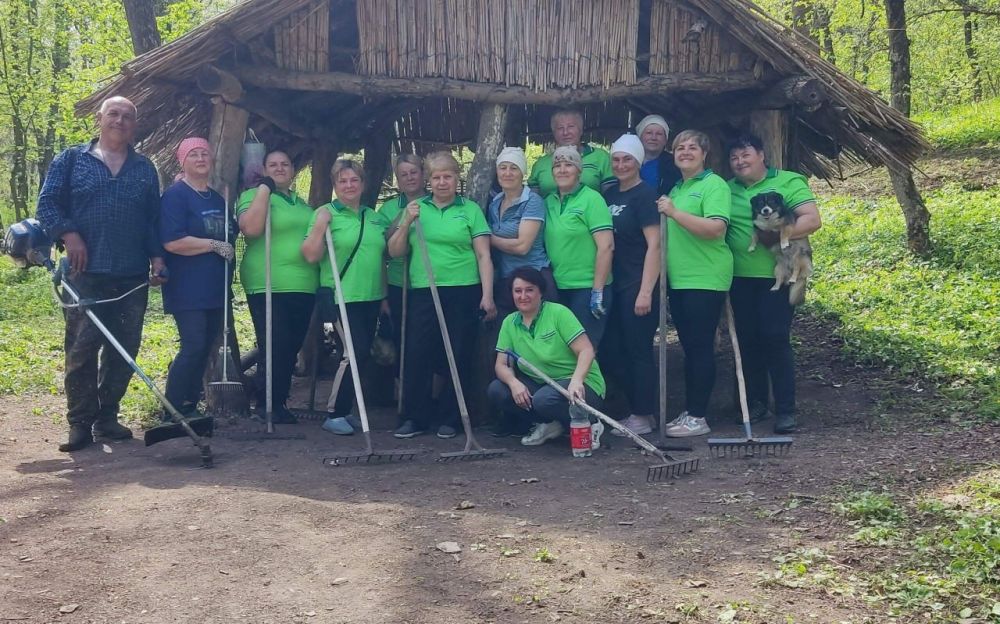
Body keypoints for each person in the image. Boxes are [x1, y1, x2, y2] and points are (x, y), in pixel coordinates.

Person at [35, 96, 166, 452]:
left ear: (133, 125)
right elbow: (46, 203)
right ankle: (79, 422)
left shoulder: (144, 168)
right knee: (81, 348)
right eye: (113, 114)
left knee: (124, 348)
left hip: (131, 274)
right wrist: (68, 232)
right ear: (99, 118)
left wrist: (157, 258)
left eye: (127, 116)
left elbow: (152, 220)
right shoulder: (71, 160)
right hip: (84, 273)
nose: (119, 120)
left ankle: (107, 417)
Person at [387, 151, 496, 439]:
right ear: (428, 180)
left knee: (458, 352)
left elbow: (484, 255)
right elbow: (395, 252)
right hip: (425, 289)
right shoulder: (416, 207)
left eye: (448, 176)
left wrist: (487, 295)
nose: (442, 182)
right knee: (417, 352)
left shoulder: (470, 209)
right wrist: (407, 221)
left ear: (456, 178)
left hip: (464, 289)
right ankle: (415, 417)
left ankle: (452, 417)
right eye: (436, 177)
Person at [727, 134, 822, 434]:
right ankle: (755, 403)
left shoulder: (789, 182)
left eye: (746, 155)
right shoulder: (727, 189)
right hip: (739, 279)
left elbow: (812, 220)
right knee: (747, 340)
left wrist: (778, 233)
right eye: (734, 158)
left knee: (774, 337)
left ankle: (785, 409)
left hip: (778, 276)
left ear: (761, 155)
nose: (740, 162)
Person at [301, 159, 388, 435]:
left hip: (371, 295)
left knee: (362, 355)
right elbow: (311, 255)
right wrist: (319, 226)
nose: (349, 186)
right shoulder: (326, 213)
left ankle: (349, 409)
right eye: (343, 181)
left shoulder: (373, 217)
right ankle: (334, 412)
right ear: (335, 185)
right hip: (341, 295)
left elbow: (382, 257)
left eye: (354, 180)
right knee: (354, 351)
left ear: (363, 184)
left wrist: (384, 296)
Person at [656, 130, 733, 438]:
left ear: (704, 154)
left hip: (705, 276)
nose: (685, 152)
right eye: (679, 148)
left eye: (692, 148)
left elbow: (715, 228)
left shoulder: (714, 186)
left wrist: (674, 213)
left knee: (700, 347)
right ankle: (690, 412)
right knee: (689, 346)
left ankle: (699, 416)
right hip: (680, 279)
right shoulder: (677, 187)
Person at [237, 149, 318, 424]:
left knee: (290, 345)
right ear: (263, 169)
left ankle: (278, 399)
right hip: (268, 282)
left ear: (294, 169)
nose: (280, 168)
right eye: (273, 164)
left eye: (285, 163)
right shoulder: (252, 197)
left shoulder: (302, 205)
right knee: (275, 343)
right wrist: (264, 189)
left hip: (304, 284)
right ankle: (266, 402)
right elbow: (251, 229)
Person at [159, 137, 234, 421]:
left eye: (205, 153)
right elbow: (172, 241)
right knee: (192, 346)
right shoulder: (176, 196)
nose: (201, 158)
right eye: (194, 154)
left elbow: (232, 232)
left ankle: (190, 406)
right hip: (188, 287)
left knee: (204, 348)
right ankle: (172, 409)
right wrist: (213, 245)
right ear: (183, 161)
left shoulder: (216, 198)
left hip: (216, 288)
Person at [489, 267, 606, 446]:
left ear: (541, 292)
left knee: (545, 400)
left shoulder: (558, 313)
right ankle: (550, 424)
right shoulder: (509, 322)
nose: (523, 296)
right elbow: (501, 365)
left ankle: (590, 423)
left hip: (580, 384)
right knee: (498, 390)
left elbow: (586, 350)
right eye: (518, 291)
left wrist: (577, 380)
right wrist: (514, 383)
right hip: (544, 384)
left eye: (529, 290)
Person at [600, 134, 661, 436]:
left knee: (638, 350)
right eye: (616, 159)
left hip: (637, 283)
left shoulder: (645, 196)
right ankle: (638, 407)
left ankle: (642, 414)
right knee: (612, 348)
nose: (621, 164)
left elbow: (655, 245)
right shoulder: (609, 194)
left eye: (627, 159)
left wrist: (646, 290)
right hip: (615, 282)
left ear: (638, 162)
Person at [543, 145, 615, 348]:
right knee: (561, 352)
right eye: (557, 165)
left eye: (569, 165)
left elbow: (606, 246)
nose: (562, 170)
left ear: (579, 170)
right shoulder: (548, 201)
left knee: (584, 352)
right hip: (558, 288)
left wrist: (597, 291)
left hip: (587, 289)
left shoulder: (592, 200)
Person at [487, 146, 554, 319]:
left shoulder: (532, 201)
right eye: (503, 168)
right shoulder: (495, 203)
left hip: (534, 278)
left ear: (522, 172)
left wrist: (488, 239)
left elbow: (522, 247)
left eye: (514, 168)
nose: (507, 173)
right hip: (506, 280)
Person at [378, 154, 426, 386]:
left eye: (413, 172)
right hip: (399, 282)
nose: (409, 178)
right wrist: (406, 213)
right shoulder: (388, 209)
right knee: (402, 339)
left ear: (423, 174)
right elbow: (383, 251)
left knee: (425, 340)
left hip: (428, 283)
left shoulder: (437, 200)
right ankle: (403, 392)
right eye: (403, 174)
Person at [527, 109, 613, 197]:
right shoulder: (541, 164)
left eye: (571, 126)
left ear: (581, 130)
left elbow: (612, 197)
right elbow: (531, 201)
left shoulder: (601, 158)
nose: (565, 132)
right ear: (554, 133)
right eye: (560, 128)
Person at [635, 114, 682, 196]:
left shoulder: (675, 164)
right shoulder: (628, 160)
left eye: (659, 134)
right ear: (640, 137)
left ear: (665, 140)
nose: (653, 138)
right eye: (649, 133)